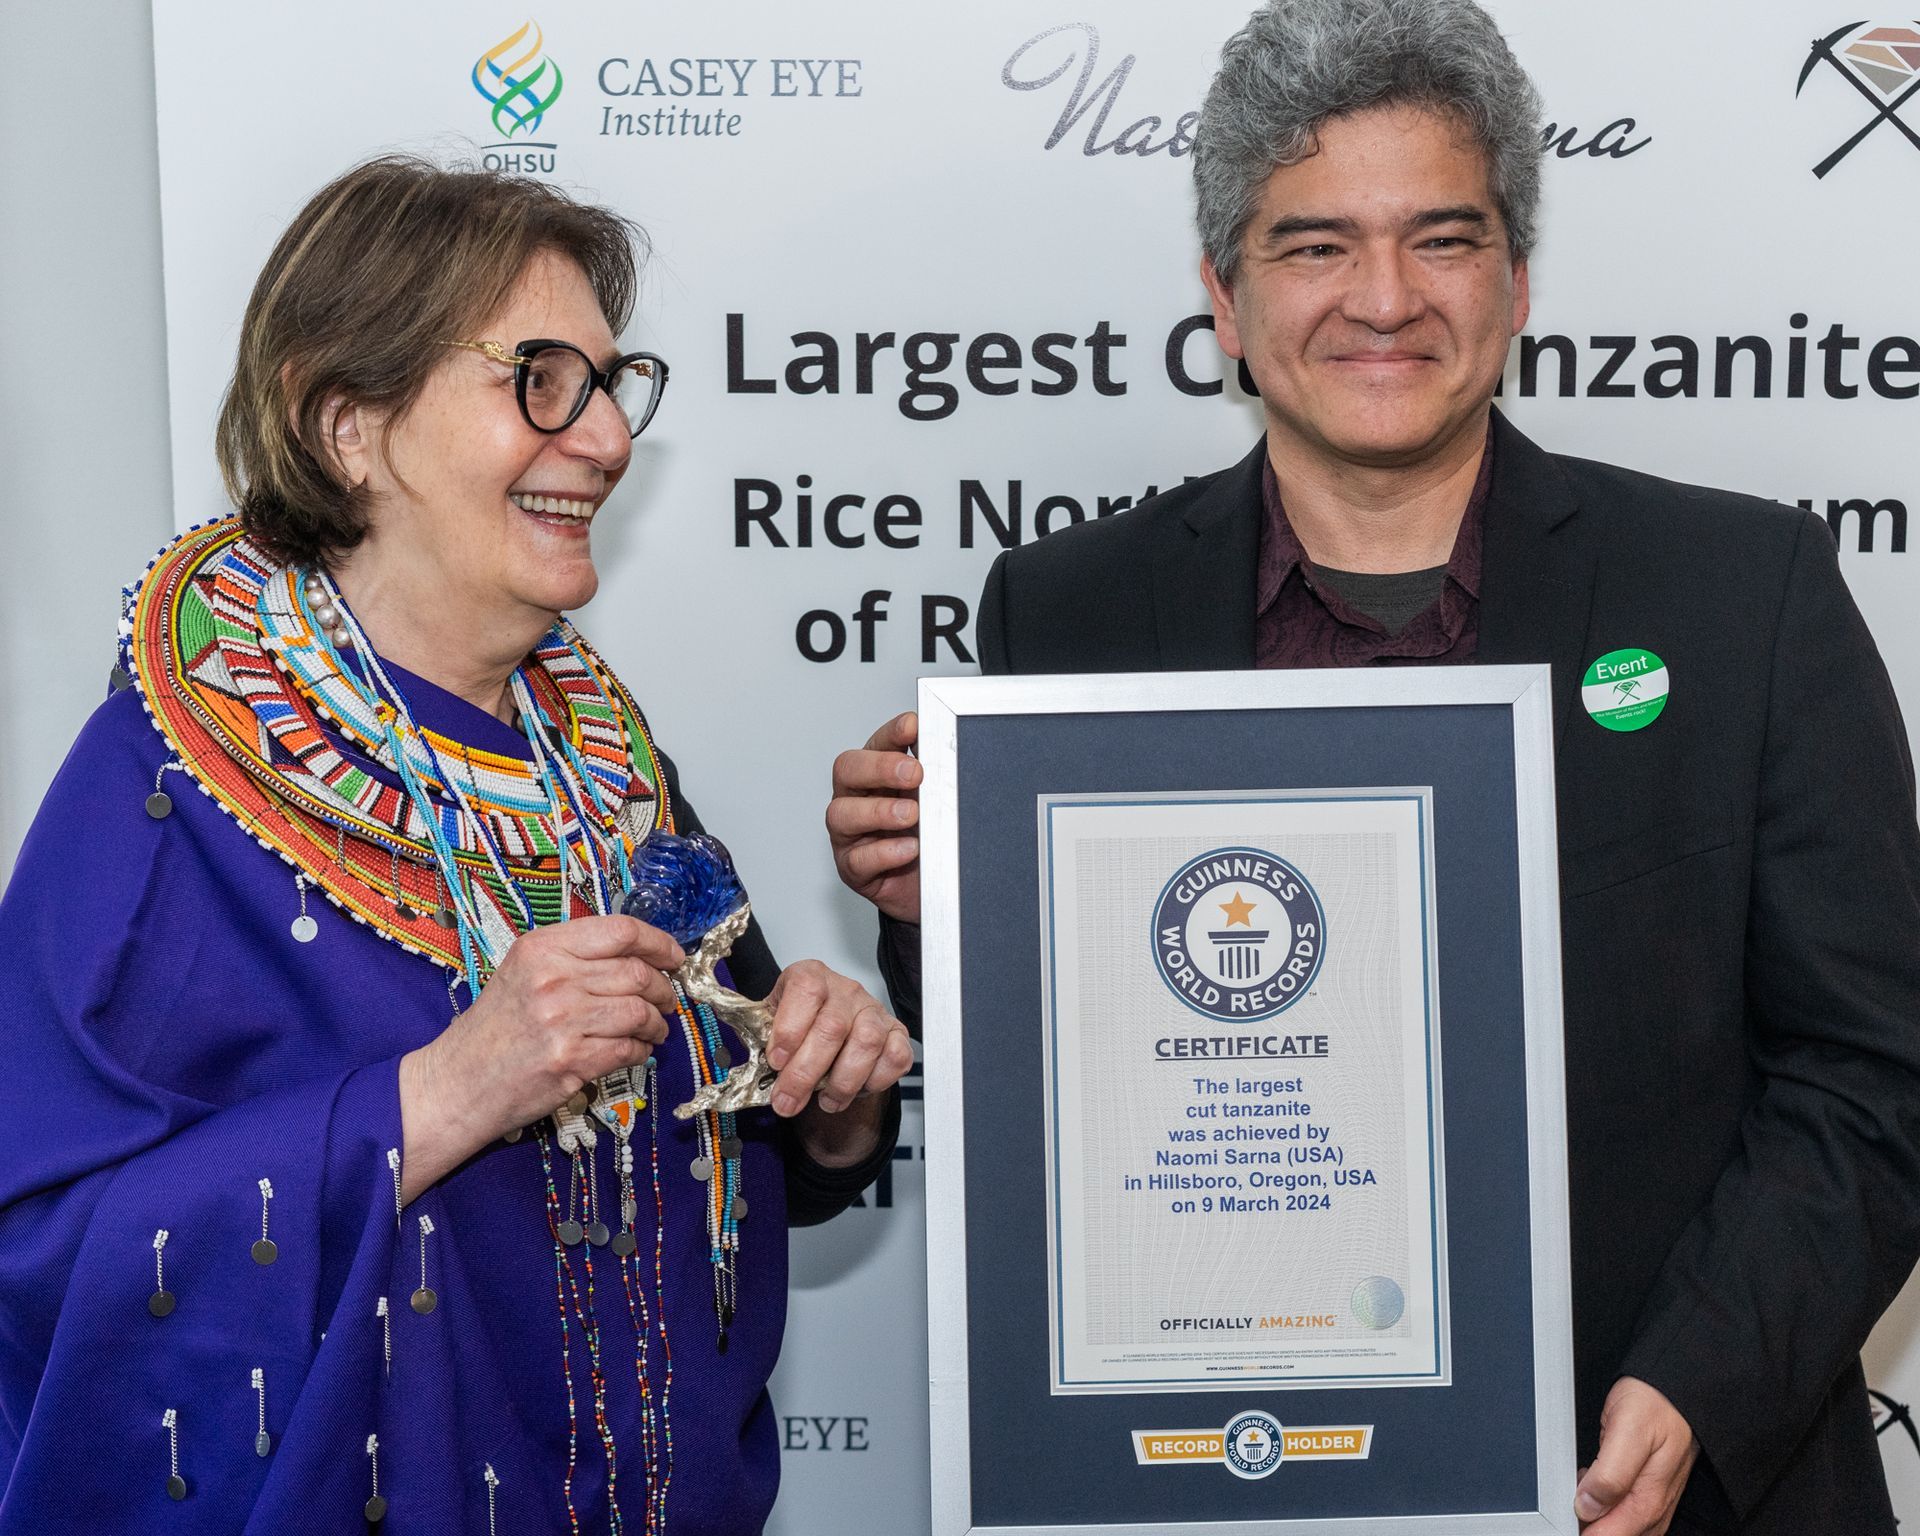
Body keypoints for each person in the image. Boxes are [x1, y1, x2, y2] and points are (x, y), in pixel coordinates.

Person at [826, 2, 1920, 1533]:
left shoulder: (1748, 594)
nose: (1383, 300)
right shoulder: (1070, 610)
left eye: (1444, 239)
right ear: (1224, 291)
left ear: (1520, 278)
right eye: (1315, 244)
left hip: (1660, 1481)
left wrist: (1698, 1385)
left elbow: (1876, 1068)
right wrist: (933, 901)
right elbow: (1064, 1095)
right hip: (1224, 1475)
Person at [0, 156, 911, 1535]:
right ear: (346, 423)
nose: (604, 437)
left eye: (611, 386)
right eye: (541, 378)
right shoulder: (168, 784)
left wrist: (831, 1107)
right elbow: (48, 1262)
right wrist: (439, 1095)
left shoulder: (603, 760)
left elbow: (741, 1146)